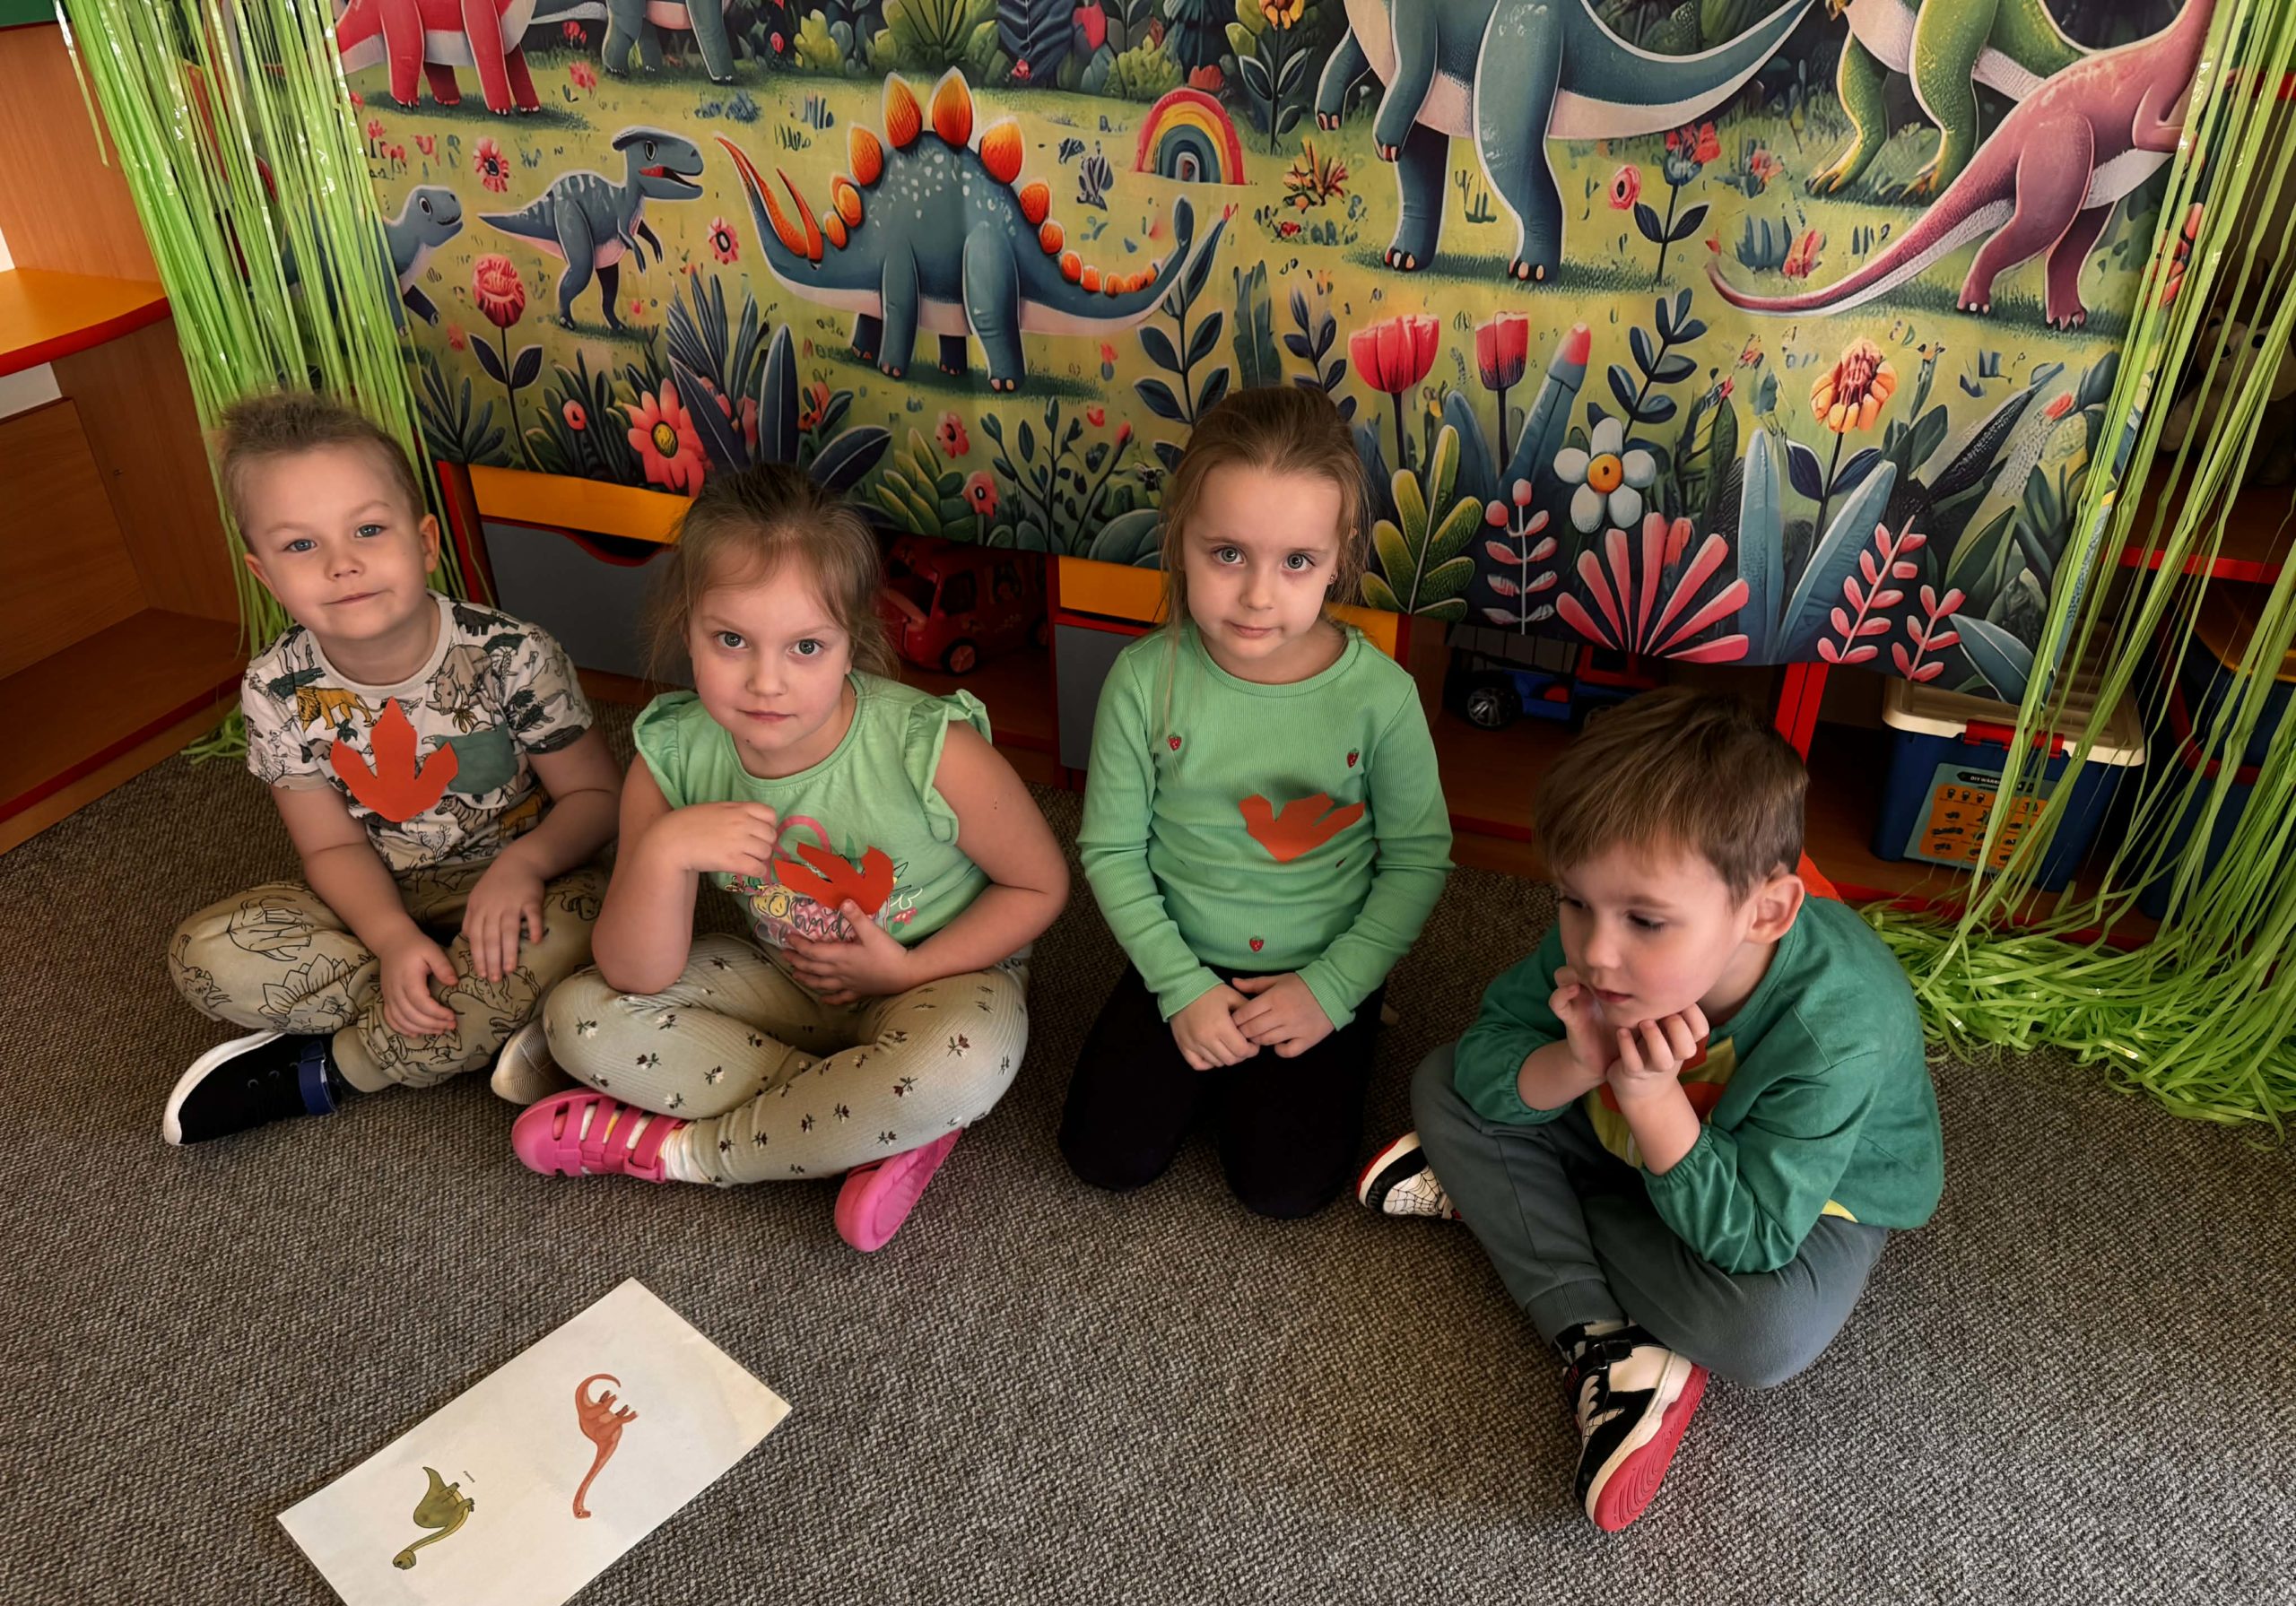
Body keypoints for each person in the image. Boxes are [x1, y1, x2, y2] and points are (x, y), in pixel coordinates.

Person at [1361, 687, 1943, 1531]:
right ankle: (1605, 1341)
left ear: (1766, 912)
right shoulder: (1609, 941)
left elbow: (1752, 1238)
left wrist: (1647, 1097)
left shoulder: (1840, 1027)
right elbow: (1485, 1060)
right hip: (1632, 1136)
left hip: (1798, 1201)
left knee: (1765, 1334)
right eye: (1573, 901)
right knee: (1446, 1080)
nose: (1597, 952)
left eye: (1645, 920)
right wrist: (1577, 1061)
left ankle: (1521, 1203)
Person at [506, 464, 1067, 1253]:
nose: (766, 681)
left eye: (806, 646)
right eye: (731, 640)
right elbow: (635, 973)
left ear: (851, 640)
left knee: (967, 1062)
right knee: (578, 1018)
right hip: (786, 979)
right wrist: (665, 853)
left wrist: (907, 971)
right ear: (687, 626)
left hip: (938, 979)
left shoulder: (929, 747)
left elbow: (1040, 886)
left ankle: (690, 1152)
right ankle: (871, 1121)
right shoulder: (672, 755)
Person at [163, 391, 619, 1145]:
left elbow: (599, 798)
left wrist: (523, 867)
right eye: (300, 546)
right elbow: (330, 847)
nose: (342, 563)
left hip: (531, 886)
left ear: (426, 542)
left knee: (594, 925)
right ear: (265, 576)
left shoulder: (512, 653)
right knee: (206, 958)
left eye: (368, 530)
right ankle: (475, 1017)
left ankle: (334, 1069)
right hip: (380, 897)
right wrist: (392, 940)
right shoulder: (275, 687)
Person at [1061, 386, 1453, 1217]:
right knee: (1103, 1155)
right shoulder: (1143, 680)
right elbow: (1112, 850)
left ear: (1339, 556)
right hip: (1182, 952)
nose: (1258, 596)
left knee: (1283, 1187)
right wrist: (1180, 986)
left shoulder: (1381, 697)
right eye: (1229, 554)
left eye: (1296, 562)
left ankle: (1356, 1018)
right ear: (1181, 540)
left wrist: (1335, 988)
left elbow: (1418, 861)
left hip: (1318, 963)